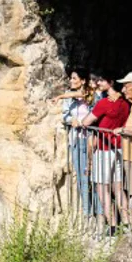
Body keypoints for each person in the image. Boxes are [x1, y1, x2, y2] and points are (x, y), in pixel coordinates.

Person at [75, 72, 130, 235]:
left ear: (111, 82)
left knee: (102, 188)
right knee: (118, 188)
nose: (98, 83)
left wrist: (79, 121)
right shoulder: (124, 103)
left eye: (101, 80)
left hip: (104, 148)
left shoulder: (104, 103)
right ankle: (126, 223)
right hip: (118, 148)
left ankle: (112, 226)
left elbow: (86, 122)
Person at [54, 69, 95, 214]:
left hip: (91, 139)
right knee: (81, 176)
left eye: (74, 78)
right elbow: (65, 116)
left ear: (83, 81)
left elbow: (97, 113)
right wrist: (72, 120)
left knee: (94, 177)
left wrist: (60, 96)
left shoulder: (91, 94)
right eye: (70, 78)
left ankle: (100, 212)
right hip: (76, 140)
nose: (71, 81)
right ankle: (87, 212)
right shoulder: (69, 97)